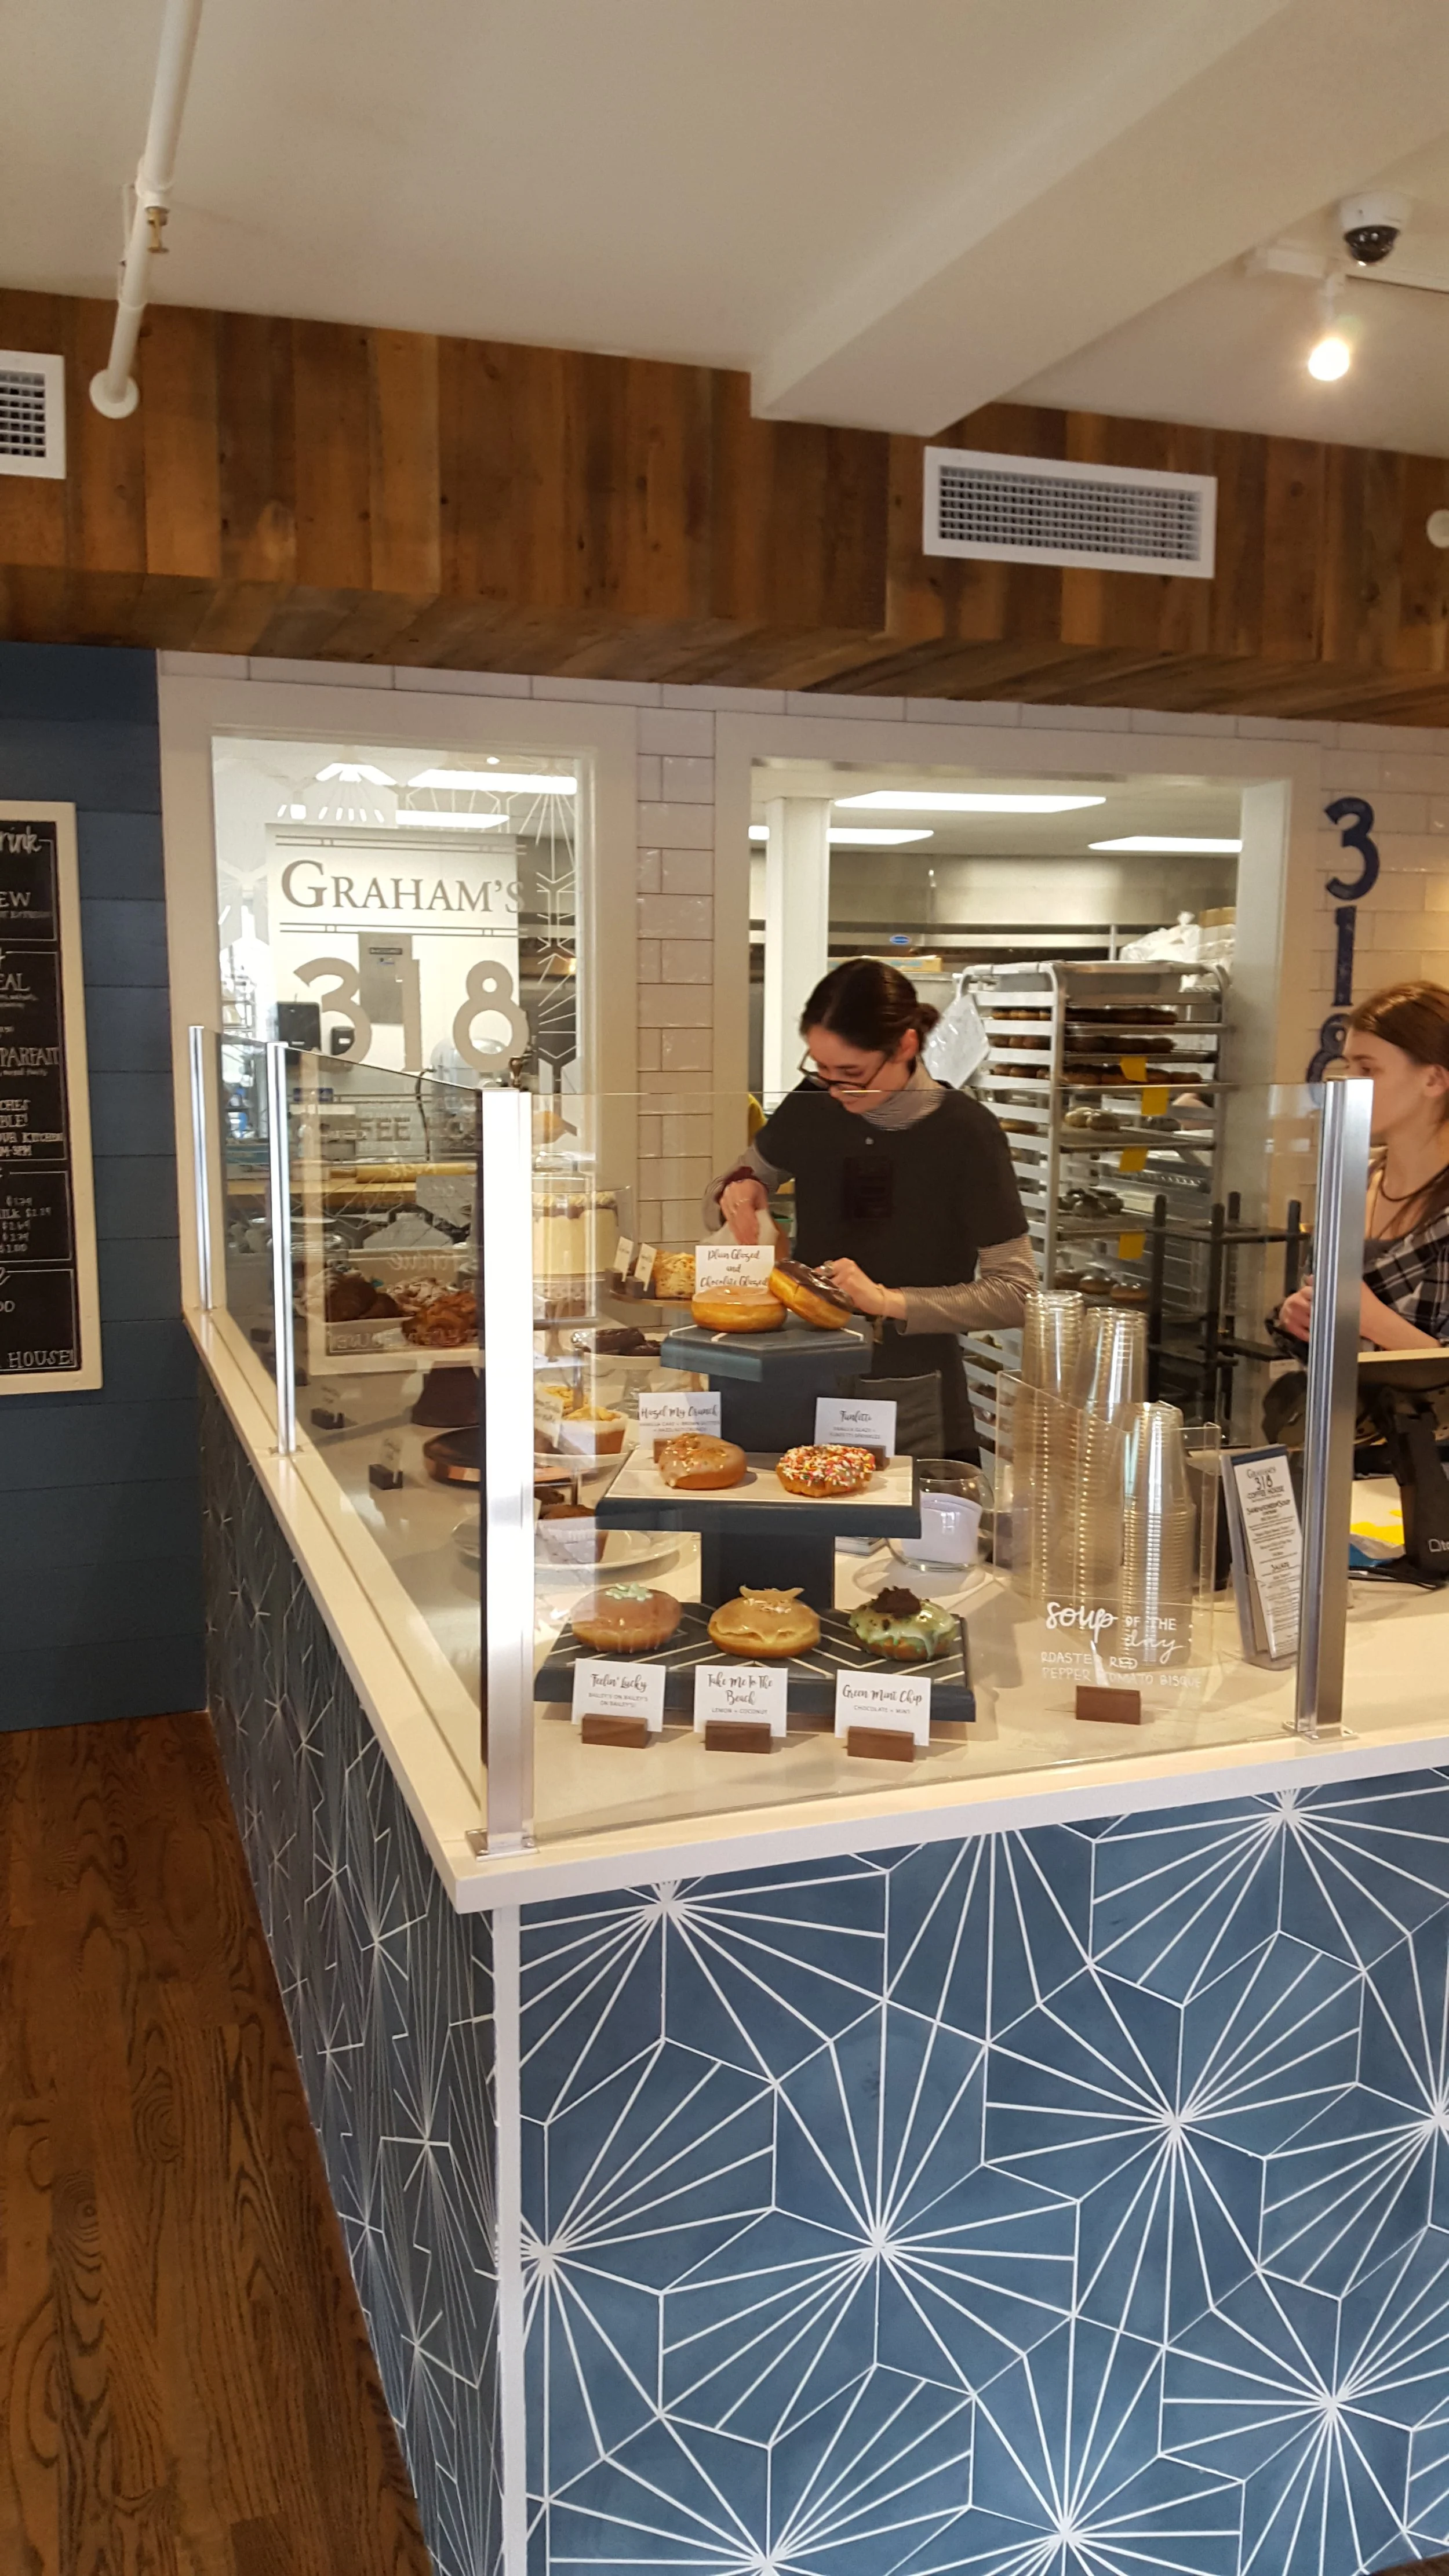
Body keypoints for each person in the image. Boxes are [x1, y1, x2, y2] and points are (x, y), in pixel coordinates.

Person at [705, 959, 1035, 1457]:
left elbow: (1016, 1292)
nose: (836, 1091)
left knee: (896, 1535)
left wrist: (884, 1300)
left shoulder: (966, 1135)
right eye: (822, 1071)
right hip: (799, 1373)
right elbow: (720, 1197)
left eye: (852, 1075)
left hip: (908, 1389)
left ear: (904, 1046)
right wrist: (740, 1188)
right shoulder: (815, 1105)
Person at [1278, 980, 1449, 1353]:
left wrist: (1371, 1320)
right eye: (1348, 1065)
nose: (1349, 1083)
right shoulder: (1353, 1180)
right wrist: (1298, 1314)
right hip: (1337, 1411)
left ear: (1433, 1079)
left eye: (1368, 1069)